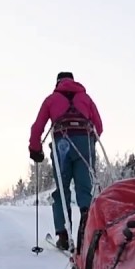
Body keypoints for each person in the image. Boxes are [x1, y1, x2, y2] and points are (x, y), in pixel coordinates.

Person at [28, 71, 103, 253]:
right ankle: (87, 229)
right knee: (84, 190)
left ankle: (63, 235)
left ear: (58, 83)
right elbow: (98, 126)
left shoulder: (51, 99)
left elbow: (37, 127)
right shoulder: (85, 98)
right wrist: (90, 142)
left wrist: (35, 150)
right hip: (84, 143)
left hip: (62, 143)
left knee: (62, 190)